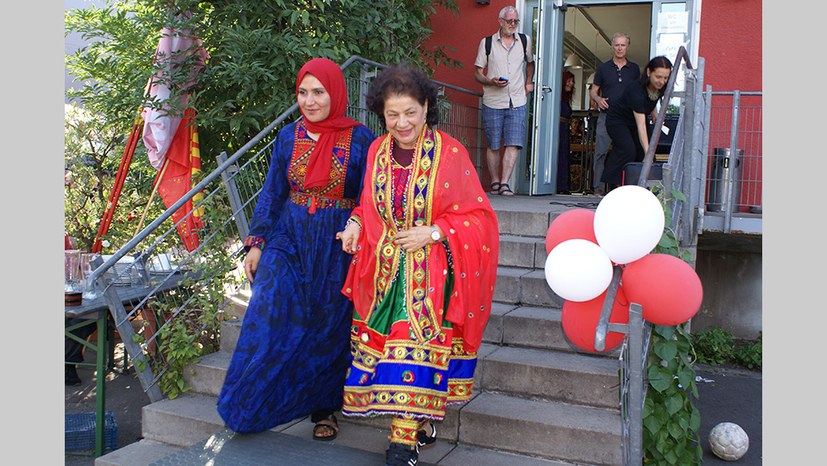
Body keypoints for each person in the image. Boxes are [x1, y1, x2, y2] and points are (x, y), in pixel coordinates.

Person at [335, 64, 499, 466]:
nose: (401, 122)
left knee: (413, 348)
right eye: (392, 114)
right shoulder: (376, 150)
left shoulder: (451, 153)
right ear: (382, 114)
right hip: (382, 272)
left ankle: (402, 443)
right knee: (389, 353)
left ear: (426, 108)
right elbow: (368, 204)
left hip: (431, 274)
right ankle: (419, 423)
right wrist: (356, 223)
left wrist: (436, 233)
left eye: (410, 112)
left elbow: (479, 217)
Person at [216, 58, 376, 439]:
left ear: (335, 93)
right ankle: (251, 403)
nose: (310, 100)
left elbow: (371, 195)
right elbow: (273, 192)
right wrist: (256, 244)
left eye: (318, 92)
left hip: (336, 244)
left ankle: (324, 410)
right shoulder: (288, 136)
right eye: (303, 92)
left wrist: (356, 221)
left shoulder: (362, 138)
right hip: (288, 237)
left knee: (327, 326)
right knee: (267, 314)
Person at [474, 5, 535, 196]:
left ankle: (505, 183)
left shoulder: (525, 41)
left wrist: (528, 83)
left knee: (514, 143)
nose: (513, 24)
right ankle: (494, 181)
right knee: (493, 144)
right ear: (500, 21)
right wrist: (489, 81)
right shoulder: (487, 43)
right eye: (509, 21)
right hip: (493, 99)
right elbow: (477, 72)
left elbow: (530, 63)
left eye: (516, 21)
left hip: (517, 100)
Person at [601, 56, 673, 190]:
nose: (662, 81)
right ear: (648, 72)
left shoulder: (661, 87)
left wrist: (654, 112)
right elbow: (641, 125)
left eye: (665, 77)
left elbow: (651, 99)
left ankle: (638, 188)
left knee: (642, 152)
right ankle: (614, 185)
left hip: (634, 120)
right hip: (618, 119)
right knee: (628, 150)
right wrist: (648, 153)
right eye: (658, 77)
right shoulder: (636, 90)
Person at [588, 32, 640, 196]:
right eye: (617, 45)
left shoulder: (634, 69)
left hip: (627, 119)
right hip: (607, 116)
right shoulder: (603, 68)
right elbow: (593, 91)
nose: (619, 48)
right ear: (612, 46)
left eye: (622, 45)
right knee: (600, 152)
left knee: (626, 152)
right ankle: (598, 189)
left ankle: (622, 189)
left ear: (627, 47)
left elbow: (640, 91)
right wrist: (598, 99)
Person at [557, 70, 575, 194]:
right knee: (560, 157)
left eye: (572, 82)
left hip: (564, 130)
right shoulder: (557, 98)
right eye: (568, 81)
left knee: (564, 157)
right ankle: (560, 185)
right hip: (558, 130)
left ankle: (563, 185)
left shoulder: (566, 99)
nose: (571, 84)